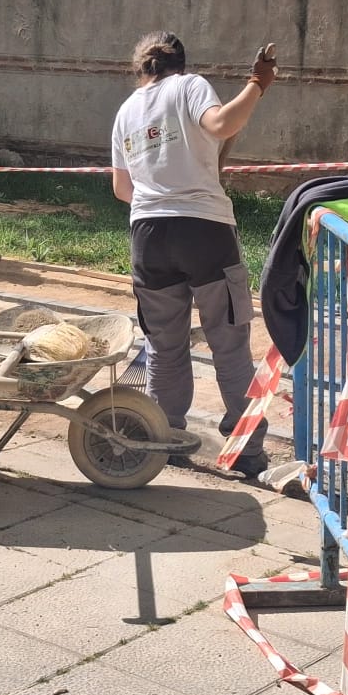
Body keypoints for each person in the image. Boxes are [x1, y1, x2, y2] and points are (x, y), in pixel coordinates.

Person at [111, 31, 279, 477]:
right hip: (204, 230)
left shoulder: (126, 111)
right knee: (229, 345)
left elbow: (122, 188)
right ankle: (246, 450)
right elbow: (222, 125)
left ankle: (163, 439)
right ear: (179, 65)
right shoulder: (189, 86)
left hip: (148, 236)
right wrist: (257, 84)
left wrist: (162, 193)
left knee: (164, 348)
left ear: (141, 68)